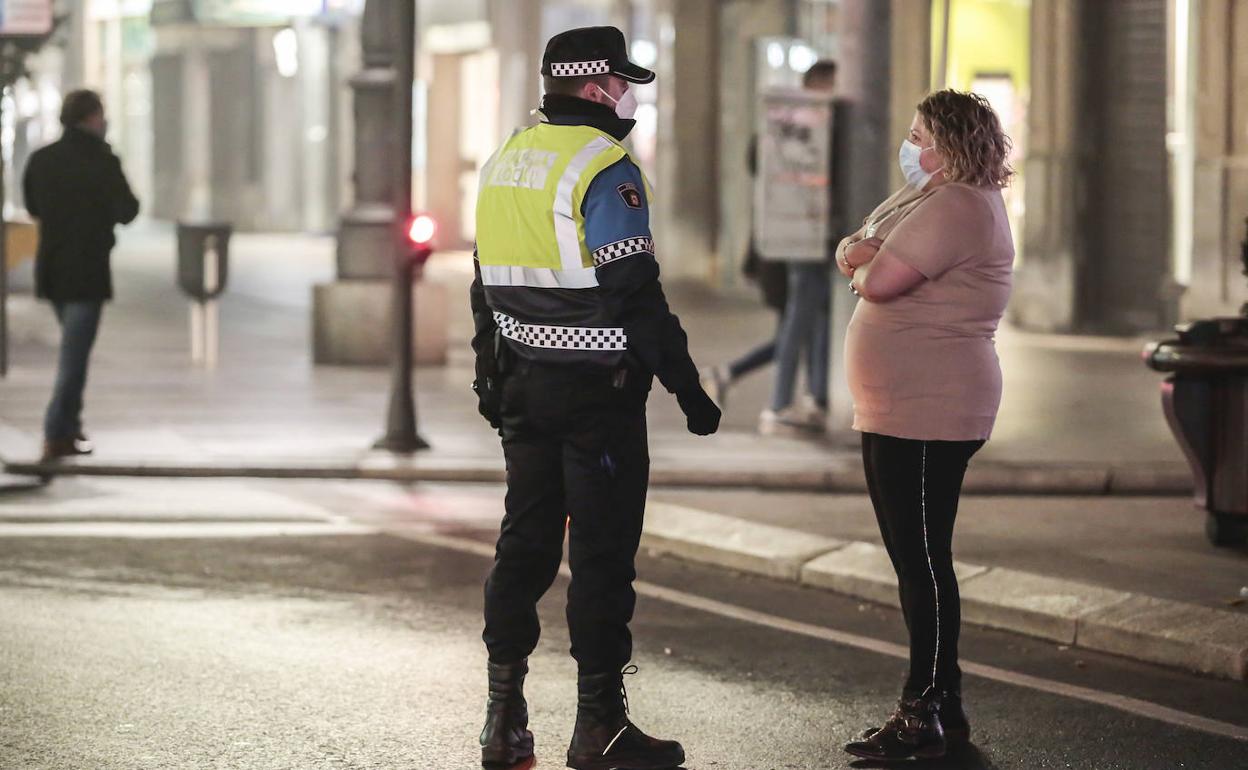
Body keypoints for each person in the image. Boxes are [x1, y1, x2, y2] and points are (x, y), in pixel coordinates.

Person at [469, 26, 720, 770]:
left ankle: (502, 719)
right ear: (592, 86)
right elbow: (634, 292)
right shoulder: (606, 168)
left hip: (522, 390)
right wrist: (687, 386)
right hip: (596, 399)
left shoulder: (507, 159)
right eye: (622, 82)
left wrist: (489, 378)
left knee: (524, 546)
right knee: (602, 556)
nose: (630, 95)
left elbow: (483, 286)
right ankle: (599, 726)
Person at [837, 90, 1014, 762]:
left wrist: (865, 262)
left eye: (920, 136)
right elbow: (855, 256)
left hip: (928, 405)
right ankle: (946, 707)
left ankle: (923, 711)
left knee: (921, 560)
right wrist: (864, 257)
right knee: (919, 555)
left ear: (950, 144)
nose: (910, 147)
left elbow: (876, 280)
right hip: (908, 402)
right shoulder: (942, 201)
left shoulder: (959, 205)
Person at [23, 90, 139, 462]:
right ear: (90, 118)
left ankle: (70, 428)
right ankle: (56, 431)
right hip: (88, 270)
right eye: (101, 115)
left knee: (74, 351)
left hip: (53, 270)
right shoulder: (103, 161)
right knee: (74, 358)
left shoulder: (42, 160)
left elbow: (32, 206)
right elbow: (128, 210)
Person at [760, 60, 839, 435]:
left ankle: (816, 398)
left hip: (817, 231)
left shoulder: (796, 122)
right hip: (806, 231)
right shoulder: (803, 121)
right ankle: (780, 402)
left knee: (818, 314)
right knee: (801, 314)